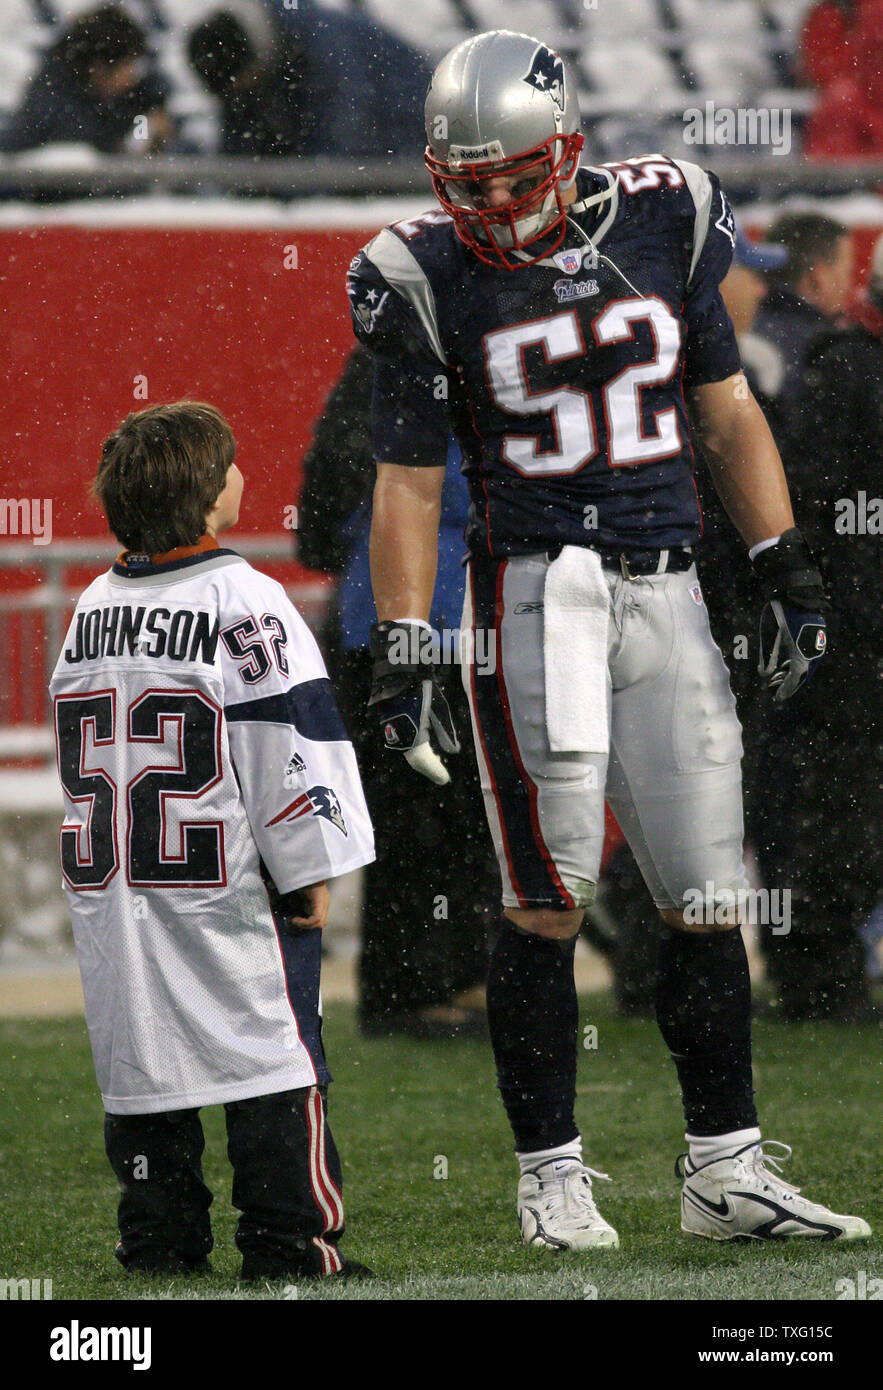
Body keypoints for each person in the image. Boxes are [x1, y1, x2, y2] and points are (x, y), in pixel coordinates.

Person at [347, 30, 871, 1251]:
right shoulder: (417, 272)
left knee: (704, 890)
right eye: (459, 180)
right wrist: (409, 647)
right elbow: (410, 483)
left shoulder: (667, 210)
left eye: (506, 177)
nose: (481, 203)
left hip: (672, 586)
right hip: (540, 595)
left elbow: (723, 403)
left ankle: (723, 1170)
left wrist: (779, 555)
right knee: (548, 897)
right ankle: (550, 1175)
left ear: (568, 149)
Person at [49, 402, 375, 1280]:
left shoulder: (92, 606)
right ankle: (288, 1242)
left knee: (145, 1060)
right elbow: (286, 740)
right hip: (225, 882)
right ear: (205, 490)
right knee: (273, 1051)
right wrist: (311, 865)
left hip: (123, 885)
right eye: (229, 463)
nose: (241, 475)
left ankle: (158, 1236)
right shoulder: (244, 598)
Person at [296, 346, 493, 1037]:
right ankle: (413, 989)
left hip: (391, 622)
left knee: (444, 815)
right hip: (421, 624)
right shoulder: (436, 369)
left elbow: (318, 516)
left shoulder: (377, 373)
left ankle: (445, 977)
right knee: (430, 817)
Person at [753, 235, 883, 1019]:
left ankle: (818, 967)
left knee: (833, 803)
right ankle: (817, 972)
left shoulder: (841, 367)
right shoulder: (847, 373)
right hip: (852, 637)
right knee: (840, 805)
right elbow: (828, 513)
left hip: (841, 624)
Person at [187, 0, 430, 159]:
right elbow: (238, 148)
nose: (238, 95)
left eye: (242, 85)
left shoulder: (323, 49)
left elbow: (340, 147)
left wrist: (288, 187)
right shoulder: (249, 45)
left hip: (406, 146)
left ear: (254, 67)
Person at [0, 5, 170, 155]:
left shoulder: (125, 90)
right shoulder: (50, 109)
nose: (132, 78)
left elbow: (153, 86)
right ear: (99, 68)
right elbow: (97, 150)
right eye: (128, 67)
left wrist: (156, 106)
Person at [753, 213, 853, 443]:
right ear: (818, 276)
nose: (849, 286)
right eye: (846, 271)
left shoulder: (745, 328)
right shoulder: (826, 350)